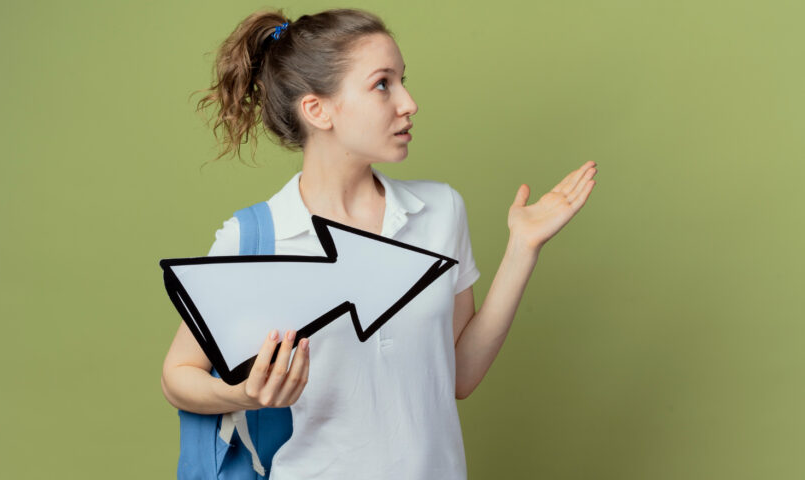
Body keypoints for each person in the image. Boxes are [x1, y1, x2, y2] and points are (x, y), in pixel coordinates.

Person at [161, 7, 597, 479]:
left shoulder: (440, 212)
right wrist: (243, 395)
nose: (409, 103)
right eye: (382, 84)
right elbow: (177, 376)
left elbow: (459, 374)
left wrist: (522, 248)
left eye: (403, 80)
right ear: (318, 110)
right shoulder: (259, 237)